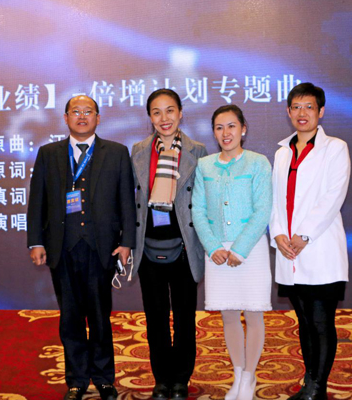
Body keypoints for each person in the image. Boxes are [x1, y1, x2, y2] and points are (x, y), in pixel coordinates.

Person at [26, 95, 135, 400]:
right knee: (70, 318)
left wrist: (127, 242)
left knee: (100, 317)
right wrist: (36, 241)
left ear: (98, 118)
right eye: (76, 111)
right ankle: (76, 380)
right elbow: (38, 201)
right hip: (62, 248)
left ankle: (104, 378)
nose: (82, 116)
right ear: (66, 118)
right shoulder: (49, 154)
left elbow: (127, 201)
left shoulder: (116, 152)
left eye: (89, 112)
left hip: (102, 248)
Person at [269, 83, 351, 400]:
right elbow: (275, 201)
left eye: (309, 107)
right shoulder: (281, 152)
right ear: (288, 111)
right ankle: (310, 383)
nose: (302, 113)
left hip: (319, 247)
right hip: (288, 250)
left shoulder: (336, 148)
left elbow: (333, 197)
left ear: (321, 111)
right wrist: (278, 233)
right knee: (303, 321)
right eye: (296, 107)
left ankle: (318, 388)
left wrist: (303, 235)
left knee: (320, 320)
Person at [130, 88, 207, 400]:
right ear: (150, 117)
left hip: (184, 247)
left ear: (180, 113)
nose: (164, 118)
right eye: (157, 112)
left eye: (170, 110)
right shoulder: (138, 150)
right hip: (148, 246)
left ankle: (181, 380)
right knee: (156, 319)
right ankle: (162, 379)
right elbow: (131, 201)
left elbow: (202, 200)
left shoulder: (197, 151)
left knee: (185, 318)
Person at [191, 105, 272, 400]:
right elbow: (197, 210)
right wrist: (213, 246)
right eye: (219, 127)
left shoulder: (258, 163)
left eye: (231, 126)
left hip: (250, 249)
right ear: (214, 132)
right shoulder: (204, 165)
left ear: (243, 129)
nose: (226, 133)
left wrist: (240, 248)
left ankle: (249, 377)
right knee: (228, 315)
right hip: (217, 252)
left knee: (253, 314)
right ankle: (238, 376)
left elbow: (263, 209)